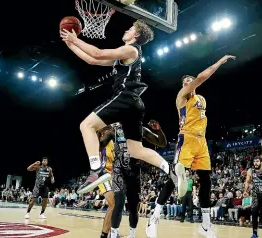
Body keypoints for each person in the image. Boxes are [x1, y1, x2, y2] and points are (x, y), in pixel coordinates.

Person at [61, 20, 182, 195]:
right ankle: (170, 169)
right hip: (135, 104)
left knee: (86, 125)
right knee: (135, 150)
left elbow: (98, 52)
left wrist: (76, 39)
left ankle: (96, 170)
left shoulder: (131, 49)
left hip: (125, 98)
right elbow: (92, 60)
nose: (126, 29)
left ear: (136, 35)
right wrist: (71, 44)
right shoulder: (123, 56)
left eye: (130, 28)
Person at [146, 55, 236, 238]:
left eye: (190, 80)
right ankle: (154, 218)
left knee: (206, 180)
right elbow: (201, 78)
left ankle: (205, 225)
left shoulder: (201, 99)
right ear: (184, 85)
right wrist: (219, 62)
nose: (189, 82)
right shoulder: (181, 96)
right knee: (173, 178)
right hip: (186, 138)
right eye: (186, 81)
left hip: (201, 141)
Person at [97, 120, 167, 238]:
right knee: (118, 203)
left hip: (134, 171)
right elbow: (99, 145)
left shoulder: (141, 130)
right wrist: (98, 134)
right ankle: (113, 235)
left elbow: (162, 143)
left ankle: (132, 235)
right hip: (119, 170)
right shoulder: (114, 130)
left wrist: (159, 130)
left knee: (133, 206)